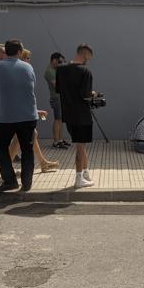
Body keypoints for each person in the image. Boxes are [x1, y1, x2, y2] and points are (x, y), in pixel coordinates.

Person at [0, 39, 46, 192]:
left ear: (6, 52)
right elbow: (31, 84)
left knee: (0, 147)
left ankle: (10, 181)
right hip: (28, 115)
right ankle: (26, 184)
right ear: (20, 52)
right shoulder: (28, 66)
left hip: (6, 116)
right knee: (27, 149)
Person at [8, 49, 59, 173]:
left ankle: (43, 163)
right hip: (18, 113)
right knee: (18, 139)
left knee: (32, 134)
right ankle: (7, 168)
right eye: (27, 58)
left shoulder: (20, 72)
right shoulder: (20, 73)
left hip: (21, 112)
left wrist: (35, 111)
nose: (29, 60)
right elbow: (21, 97)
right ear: (21, 58)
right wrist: (34, 111)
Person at [56, 44, 95, 187]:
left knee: (81, 145)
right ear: (85, 55)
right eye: (88, 58)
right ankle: (79, 178)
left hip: (68, 114)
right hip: (82, 115)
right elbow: (85, 95)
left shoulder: (61, 70)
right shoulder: (86, 72)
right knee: (80, 146)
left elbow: (59, 90)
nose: (88, 61)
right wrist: (93, 94)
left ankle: (85, 173)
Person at [45, 52, 70, 149]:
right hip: (56, 97)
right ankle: (56, 141)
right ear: (54, 60)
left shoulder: (56, 70)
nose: (60, 64)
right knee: (57, 119)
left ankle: (60, 139)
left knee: (61, 119)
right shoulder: (49, 71)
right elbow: (57, 85)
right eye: (59, 61)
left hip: (61, 97)